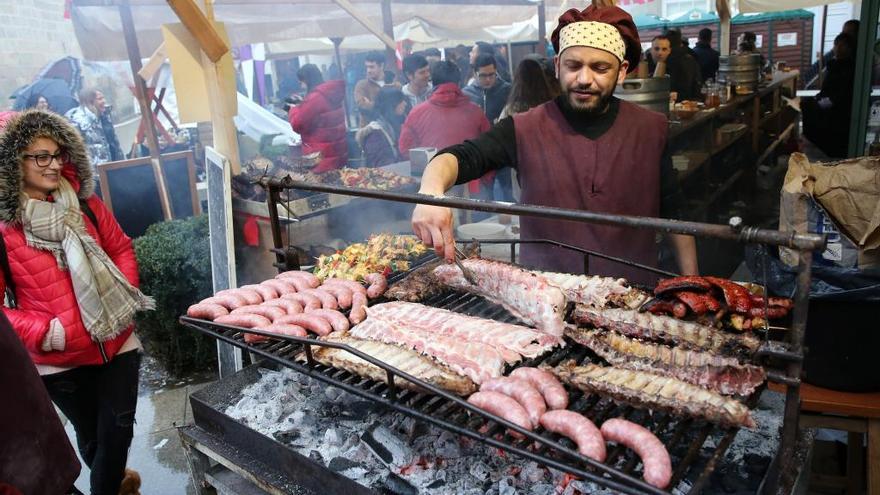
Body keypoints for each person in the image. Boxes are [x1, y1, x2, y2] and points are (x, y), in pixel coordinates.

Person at [410, 5, 698, 284]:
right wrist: (431, 193)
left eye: (600, 68)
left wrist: (693, 281)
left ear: (621, 71)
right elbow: (461, 156)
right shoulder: (524, 127)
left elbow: (674, 211)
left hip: (634, 296)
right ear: (558, 66)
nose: (584, 79)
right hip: (548, 297)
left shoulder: (650, 128)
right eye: (574, 65)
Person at [0, 110, 154, 495]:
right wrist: (46, 332)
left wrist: (122, 292)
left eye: (57, 154)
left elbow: (120, 247)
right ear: (11, 164)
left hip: (116, 341)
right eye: (40, 156)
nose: (54, 164)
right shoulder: (4, 230)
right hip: (60, 360)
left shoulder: (85, 205)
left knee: (116, 434)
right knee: (91, 439)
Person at [399, 61, 492, 198]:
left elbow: (405, 149)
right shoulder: (475, 111)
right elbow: (490, 149)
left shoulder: (417, 112)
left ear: (434, 83)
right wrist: (486, 179)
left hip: (434, 188)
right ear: (459, 83)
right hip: (473, 188)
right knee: (479, 220)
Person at [802, 33, 856, 158]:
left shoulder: (849, 67)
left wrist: (821, 102)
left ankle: (824, 146)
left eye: (843, 45)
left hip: (838, 106)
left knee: (809, 106)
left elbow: (840, 94)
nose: (838, 48)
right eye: (837, 44)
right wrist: (818, 98)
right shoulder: (834, 64)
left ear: (849, 48)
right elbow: (826, 89)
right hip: (828, 100)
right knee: (806, 103)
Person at [288, 64, 348, 172]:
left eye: (301, 82)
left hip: (321, 160)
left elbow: (298, 124)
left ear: (307, 80)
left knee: (323, 187)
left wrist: (293, 108)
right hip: (337, 154)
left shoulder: (315, 98)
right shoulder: (330, 93)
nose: (301, 86)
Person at [65, 88, 124, 179]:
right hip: (95, 176)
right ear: (90, 101)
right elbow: (73, 150)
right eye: (100, 99)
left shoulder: (104, 116)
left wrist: (123, 163)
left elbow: (114, 142)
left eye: (103, 98)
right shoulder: (77, 120)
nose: (104, 101)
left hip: (114, 169)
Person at [356, 87, 407, 167]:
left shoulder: (395, 125)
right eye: (401, 101)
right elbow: (382, 165)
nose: (405, 103)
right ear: (391, 104)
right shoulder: (374, 134)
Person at [651, 30, 702, 101]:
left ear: (669, 50)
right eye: (656, 49)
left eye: (664, 49)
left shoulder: (671, 63)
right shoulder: (690, 56)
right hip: (691, 101)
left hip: (678, 103)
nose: (660, 53)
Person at [463, 54, 512, 123]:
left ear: (496, 71)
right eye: (483, 76)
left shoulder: (507, 90)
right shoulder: (467, 94)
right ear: (475, 73)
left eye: (491, 74)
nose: (488, 79)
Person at [354, 52, 387, 126]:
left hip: (392, 129)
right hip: (369, 130)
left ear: (381, 66)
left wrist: (372, 104)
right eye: (367, 67)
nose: (368, 70)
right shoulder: (361, 85)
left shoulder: (392, 82)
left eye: (372, 67)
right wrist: (387, 106)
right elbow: (363, 106)